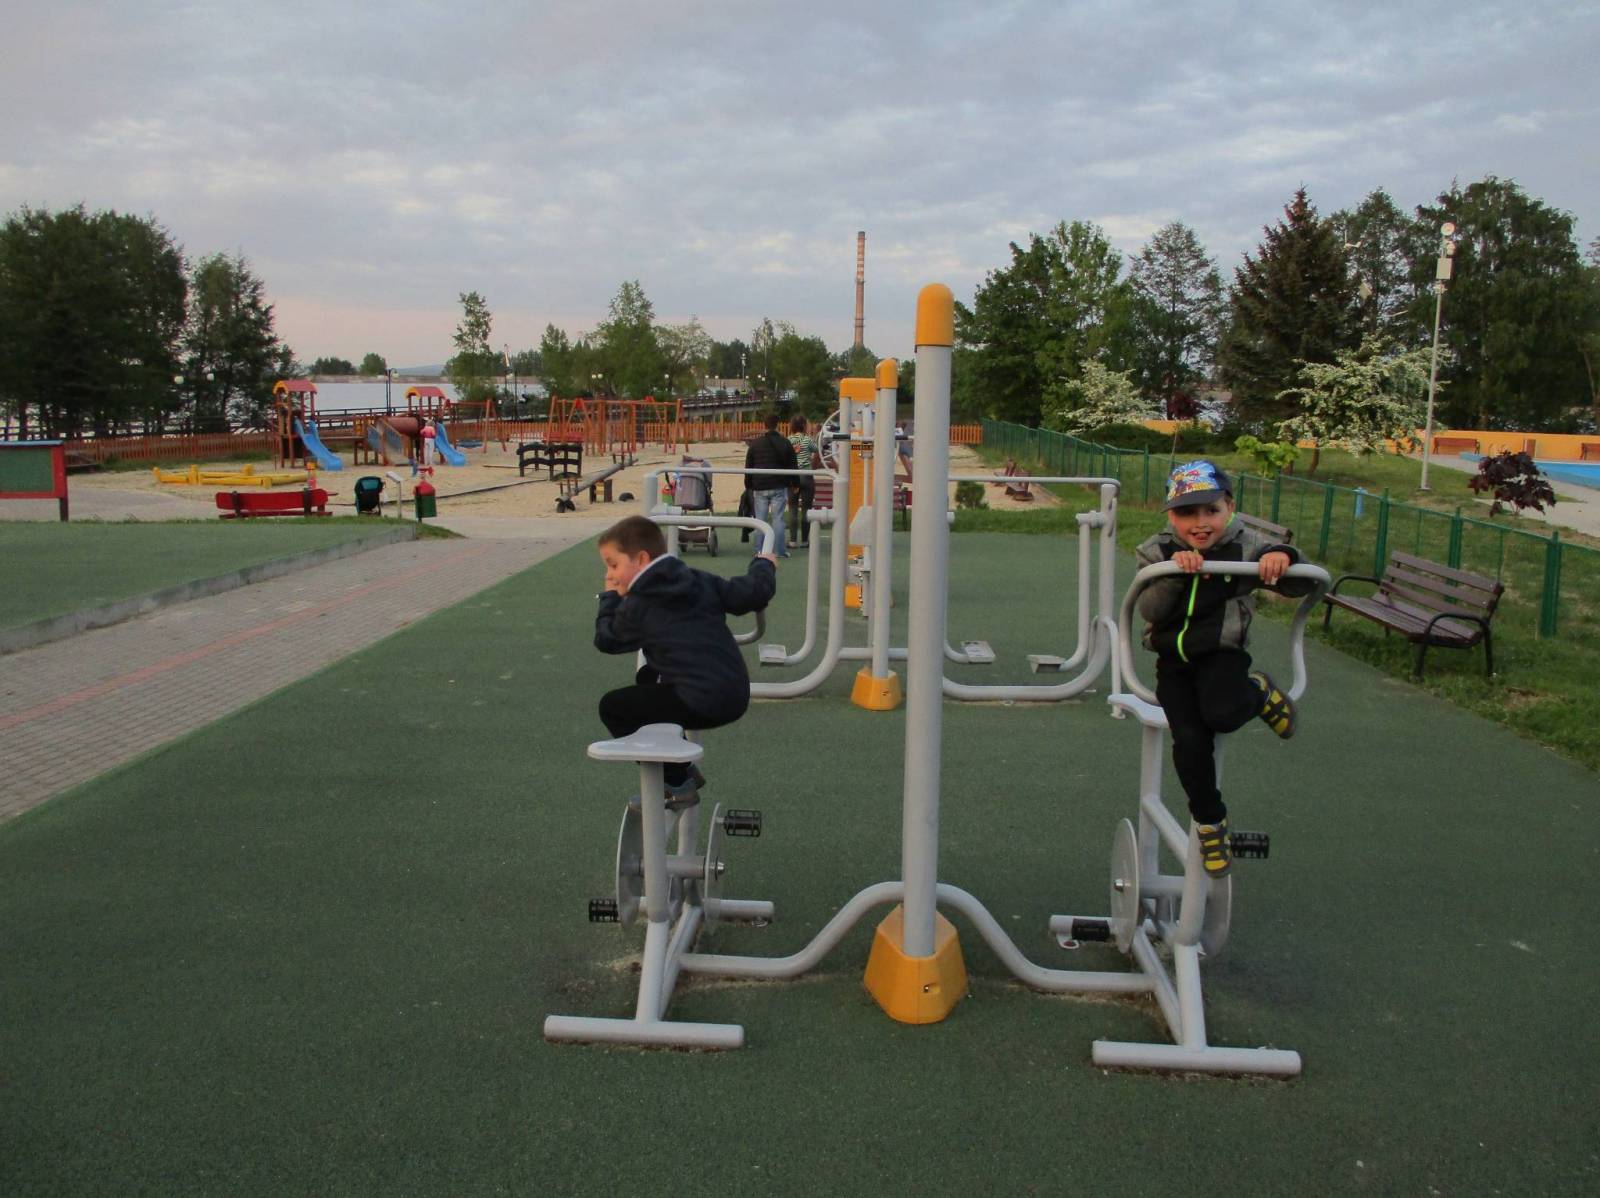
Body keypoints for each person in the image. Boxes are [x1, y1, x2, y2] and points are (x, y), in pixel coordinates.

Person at [1134, 460, 1315, 878]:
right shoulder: (1157, 550)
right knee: (1189, 741)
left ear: (1230, 508)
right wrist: (1175, 574)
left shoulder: (1247, 546)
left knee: (1224, 713)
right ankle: (1210, 822)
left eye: (1211, 511)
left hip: (1222, 654)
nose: (1200, 524)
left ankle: (1258, 692)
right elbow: (1150, 609)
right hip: (1173, 663)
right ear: (1171, 516)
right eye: (1187, 513)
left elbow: (1301, 581)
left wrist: (1282, 557)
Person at [594, 515, 777, 799]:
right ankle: (681, 768)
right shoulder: (697, 579)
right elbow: (751, 593)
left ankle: (677, 780)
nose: (609, 575)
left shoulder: (639, 605)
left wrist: (610, 599)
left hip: (703, 702)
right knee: (647, 676)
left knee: (613, 707)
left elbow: (607, 640)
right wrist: (763, 564)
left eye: (613, 565)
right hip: (735, 691)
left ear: (641, 560)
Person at [744, 413, 798, 558]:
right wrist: (795, 483)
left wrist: (748, 484)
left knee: (760, 519)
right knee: (778, 519)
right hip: (778, 484)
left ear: (764, 425)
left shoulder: (755, 444)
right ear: (778, 425)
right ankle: (779, 551)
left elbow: (748, 466)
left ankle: (759, 550)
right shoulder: (785, 443)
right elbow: (793, 464)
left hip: (760, 485)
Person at [786, 415, 821, 549]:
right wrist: (815, 435)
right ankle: (805, 540)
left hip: (792, 476)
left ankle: (793, 541)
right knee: (806, 509)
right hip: (806, 475)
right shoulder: (807, 439)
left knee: (793, 508)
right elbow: (817, 449)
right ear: (803, 426)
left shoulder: (788, 440)